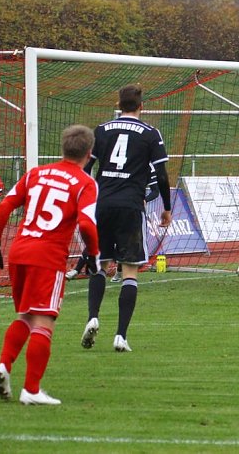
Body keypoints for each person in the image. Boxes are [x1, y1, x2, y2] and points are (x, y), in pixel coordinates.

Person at [0, 124, 100, 406]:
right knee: (44, 321)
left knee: (25, 315)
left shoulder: (36, 173)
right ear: (89, 153)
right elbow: (86, 223)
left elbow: (4, 206)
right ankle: (32, 390)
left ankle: (4, 365)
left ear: (63, 148)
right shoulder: (85, 183)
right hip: (47, 257)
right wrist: (94, 255)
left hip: (19, 251)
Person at [81, 84, 173, 353]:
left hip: (103, 204)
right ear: (141, 106)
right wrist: (166, 208)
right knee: (130, 271)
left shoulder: (101, 130)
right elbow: (163, 175)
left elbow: (87, 167)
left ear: (118, 104)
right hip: (131, 206)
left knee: (100, 265)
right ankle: (120, 336)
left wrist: (87, 197)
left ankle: (93, 317)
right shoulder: (150, 134)